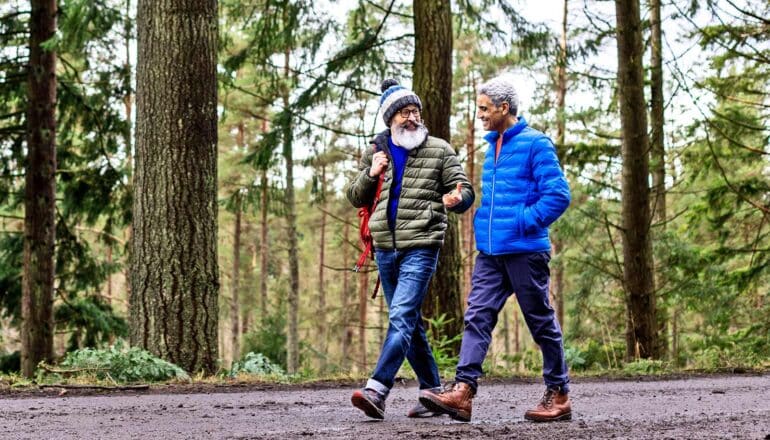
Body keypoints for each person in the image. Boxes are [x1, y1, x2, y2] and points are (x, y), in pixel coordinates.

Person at [419, 74, 572, 422]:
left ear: (505, 107)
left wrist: (523, 221)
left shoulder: (536, 144)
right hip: (490, 252)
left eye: (485, 109)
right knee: (477, 316)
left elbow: (559, 195)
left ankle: (559, 393)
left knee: (540, 321)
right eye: (479, 109)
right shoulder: (493, 147)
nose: (481, 115)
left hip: (524, 251)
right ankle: (463, 391)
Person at [346, 78, 474, 420]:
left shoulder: (440, 150)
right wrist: (371, 174)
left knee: (400, 316)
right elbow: (355, 196)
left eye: (415, 111)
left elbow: (465, 189)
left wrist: (458, 198)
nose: (412, 118)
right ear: (390, 119)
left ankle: (377, 388)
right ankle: (432, 390)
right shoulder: (375, 151)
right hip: (385, 247)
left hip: (422, 243)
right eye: (404, 112)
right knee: (410, 322)